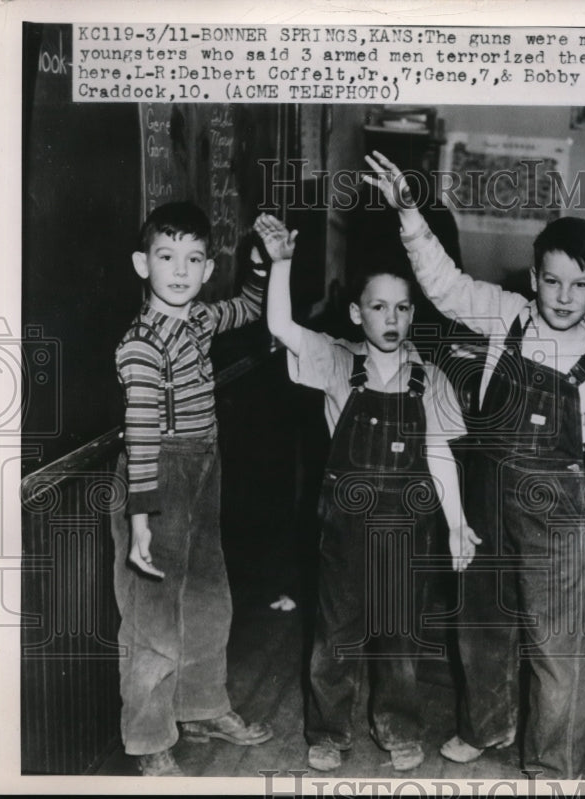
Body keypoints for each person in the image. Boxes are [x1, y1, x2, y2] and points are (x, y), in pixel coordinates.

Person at [365, 151, 585, 780]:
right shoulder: (506, 313)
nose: (562, 297)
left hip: (561, 512)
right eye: (551, 280)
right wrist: (409, 215)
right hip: (488, 491)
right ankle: (487, 726)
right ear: (533, 277)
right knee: (481, 622)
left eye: (578, 283)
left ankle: (551, 764)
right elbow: (443, 283)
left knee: (556, 645)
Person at [258, 213, 475, 773]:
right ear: (357, 313)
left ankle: (399, 726)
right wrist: (281, 264)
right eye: (378, 306)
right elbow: (281, 327)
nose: (391, 318)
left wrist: (454, 523)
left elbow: (440, 454)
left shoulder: (430, 377)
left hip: (409, 528)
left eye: (402, 307)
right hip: (345, 530)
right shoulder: (336, 360)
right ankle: (329, 731)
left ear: (413, 313)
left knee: (399, 637)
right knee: (337, 635)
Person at [111, 201, 274, 777]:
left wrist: (260, 261)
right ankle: (150, 740)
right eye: (166, 256)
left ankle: (201, 707)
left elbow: (253, 307)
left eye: (193, 259)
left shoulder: (200, 318)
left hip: (205, 464)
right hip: (156, 477)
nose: (180, 270)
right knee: (152, 616)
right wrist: (140, 521)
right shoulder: (142, 344)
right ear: (142, 263)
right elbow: (142, 435)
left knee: (207, 597)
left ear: (207, 269)